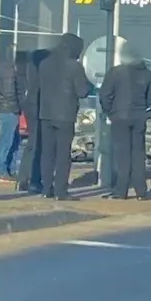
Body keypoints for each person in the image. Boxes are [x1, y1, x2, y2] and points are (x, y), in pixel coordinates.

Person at [99, 47, 151, 200]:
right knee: (138, 154)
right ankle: (141, 191)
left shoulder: (116, 72)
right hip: (139, 118)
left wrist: (109, 112)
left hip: (119, 117)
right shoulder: (147, 74)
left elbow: (105, 94)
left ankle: (121, 190)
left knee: (122, 155)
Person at [38, 33, 90, 200]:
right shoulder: (74, 66)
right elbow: (82, 92)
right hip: (65, 114)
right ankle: (61, 191)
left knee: (47, 153)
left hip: (46, 113)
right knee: (63, 154)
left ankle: (46, 188)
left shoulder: (45, 63)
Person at [16, 49, 49, 194]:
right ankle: (32, 179)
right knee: (36, 145)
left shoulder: (29, 70)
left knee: (31, 144)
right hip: (37, 107)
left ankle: (24, 178)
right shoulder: (41, 72)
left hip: (30, 105)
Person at [0, 46, 22, 182]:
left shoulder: (8, 68)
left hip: (8, 109)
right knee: (6, 141)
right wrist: (19, 106)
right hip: (8, 109)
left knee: (14, 141)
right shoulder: (9, 70)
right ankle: (2, 170)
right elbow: (9, 92)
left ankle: (9, 169)